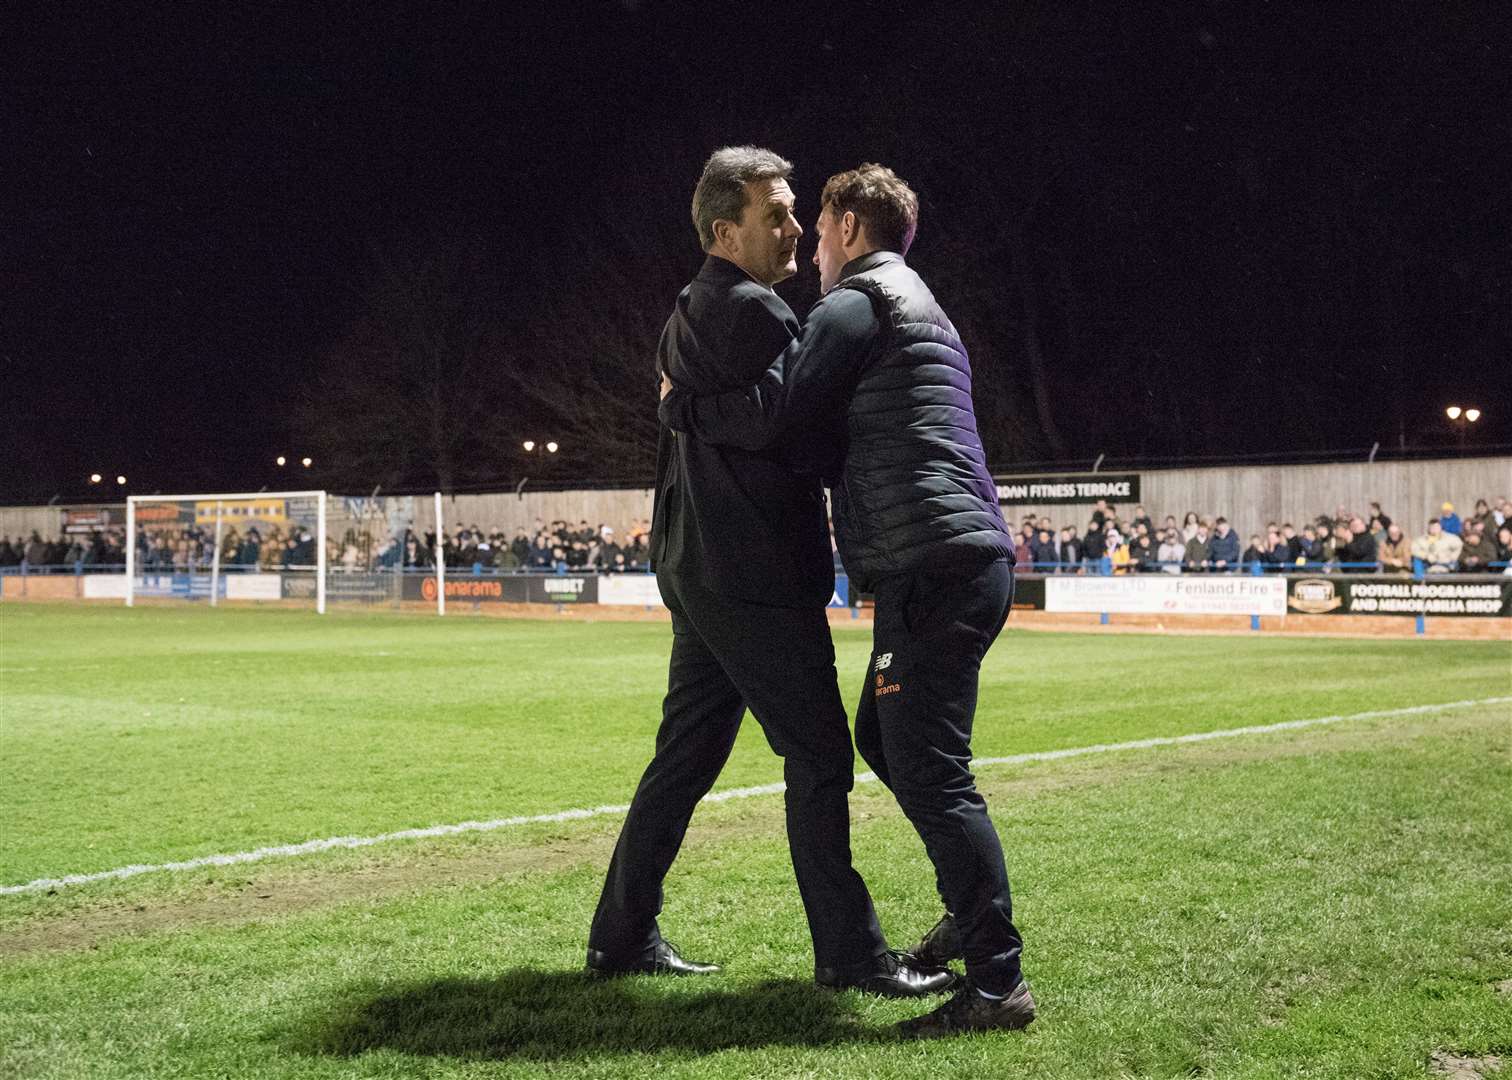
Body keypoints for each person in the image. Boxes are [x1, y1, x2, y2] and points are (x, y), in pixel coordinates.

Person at [660, 162, 1034, 1037]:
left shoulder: (858, 300)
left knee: (932, 770)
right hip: (959, 557)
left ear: (852, 229)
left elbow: (777, 413)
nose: (811, 246)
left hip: (933, 565)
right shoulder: (921, 303)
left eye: (819, 227)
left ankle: (996, 980)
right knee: (884, 742)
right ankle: (974, 916)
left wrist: (681, 408)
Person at [588, 147, 947, 1000]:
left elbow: (728, 422)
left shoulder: (686, 311)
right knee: (821, 757)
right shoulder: (758, 313)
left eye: (795, 213)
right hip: (750, 570)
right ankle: (852, 956)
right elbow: (800, 433)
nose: (794, 229)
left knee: (684, 757)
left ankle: (620, 936)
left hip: (696, 563)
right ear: (725, 230)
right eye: (776, 214)